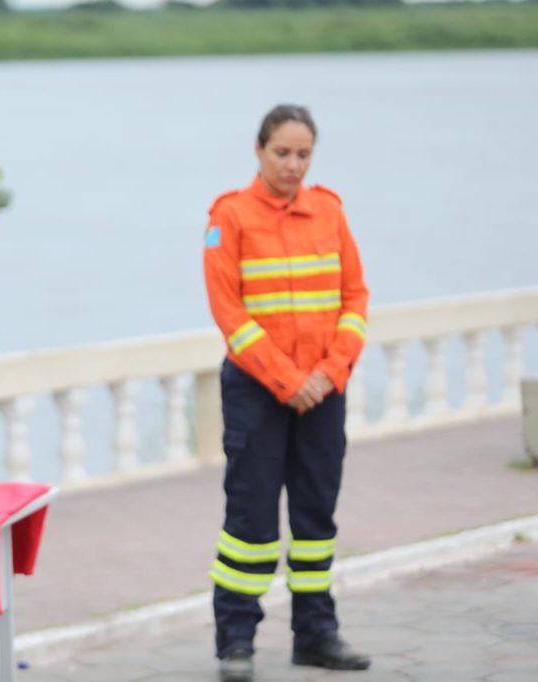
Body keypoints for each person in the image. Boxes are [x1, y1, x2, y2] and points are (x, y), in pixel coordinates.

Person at [202, 105, 371, 682]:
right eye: (282, 153)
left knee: (316, 514)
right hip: (257, 393)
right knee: (249, 521)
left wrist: (330, 372)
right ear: (258, 149)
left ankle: (317, 635)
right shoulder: (229, 217)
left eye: (303, 154)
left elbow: (356, 299)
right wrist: (288, 380)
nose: (293, 165)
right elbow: (231, 315)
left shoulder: (329, 211)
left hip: (324, 391)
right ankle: (235, 643)